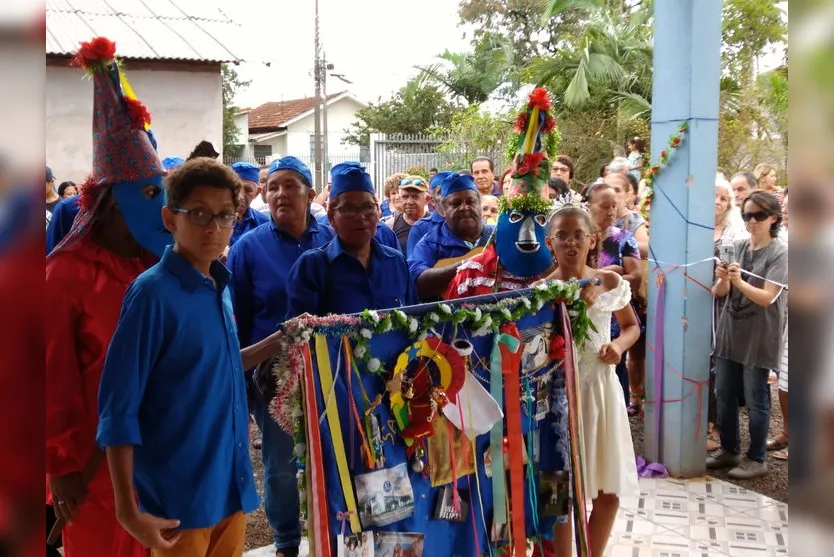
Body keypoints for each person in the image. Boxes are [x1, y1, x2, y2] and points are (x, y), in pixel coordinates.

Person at [97, 158, 286, 556]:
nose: (213, 227)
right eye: (198, 213)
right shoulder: (152, 294)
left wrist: (275, 343)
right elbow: (118, 406)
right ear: (170, 218)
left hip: (229, 487)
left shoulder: (218, 285)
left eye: (224, 216)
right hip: (178, 498)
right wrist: (127, 510)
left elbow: (220, 364)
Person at [46, 36, 172, 557]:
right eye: (148, 199)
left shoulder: (163, 264)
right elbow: (49, 377)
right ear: (113, 207)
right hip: (93, 467)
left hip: (166, 451)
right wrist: (62, 469)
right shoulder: (65, 274)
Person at [226, 156, 332, 557]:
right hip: (274, 376)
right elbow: (238, 318)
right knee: (282, 463)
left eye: (290, 185)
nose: (280, 193)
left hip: (333, 369)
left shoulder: (331, 239)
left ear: (309, 192)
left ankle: (336, 529)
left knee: (336, 450)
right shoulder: (248, 248)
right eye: (272, 186)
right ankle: (287, 540)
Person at [540, 204, 640, 557]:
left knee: (609, 492)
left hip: (600, 392)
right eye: (562, 236)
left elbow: (631, 327)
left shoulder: (610, 281)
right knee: (559, 491)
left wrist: (617, 345)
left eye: (578, 235)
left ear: (592, 239)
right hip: (557, 400)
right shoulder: (541, 291)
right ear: (550, 242)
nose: (570, 243)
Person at [708, 191, 788, 480]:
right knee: (724, 392)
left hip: (760, 335)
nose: (752, 221)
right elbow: (719, 293)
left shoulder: (781, 253)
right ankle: (730, 448)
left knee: (756, 397)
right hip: (731, 331)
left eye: (759, 215)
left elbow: (767, 297)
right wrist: (722, 277)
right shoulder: (737, 246)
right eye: (746, 215)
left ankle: (757, 457)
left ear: (774, 218)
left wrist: (738, 281)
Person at [285, 162, 417, 317]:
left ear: (378, 213)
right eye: (348, 209)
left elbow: (413, 320)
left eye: (368, 207)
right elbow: (300, 335)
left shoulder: (396, 261)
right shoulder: (313, 266)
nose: (361, 217)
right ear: (331, 217)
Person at [408, 173, 493, 300]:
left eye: (471, 202)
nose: (464, 208)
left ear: (480, 205)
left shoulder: (498, 235)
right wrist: (467, 264)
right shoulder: (430, 243)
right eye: (456, 203)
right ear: (442, 210)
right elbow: (416, 282)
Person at [406, 171, 452, 254]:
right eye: (442, 192)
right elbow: (416, 265)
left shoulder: (472, 225)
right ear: (432, 200)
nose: (448, 197)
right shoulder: (421, 228)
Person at [383, 175, 429, 256]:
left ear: (426, 200)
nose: (410, 202)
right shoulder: (390, 226)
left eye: (415, 197)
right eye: (405, 197)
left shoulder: (436, 224)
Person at [228, 161, 269, 248]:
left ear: (257, 192)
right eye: (235, 189)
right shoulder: (215, 221)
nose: (240, 196)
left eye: (248, 190)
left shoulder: (265, 224)